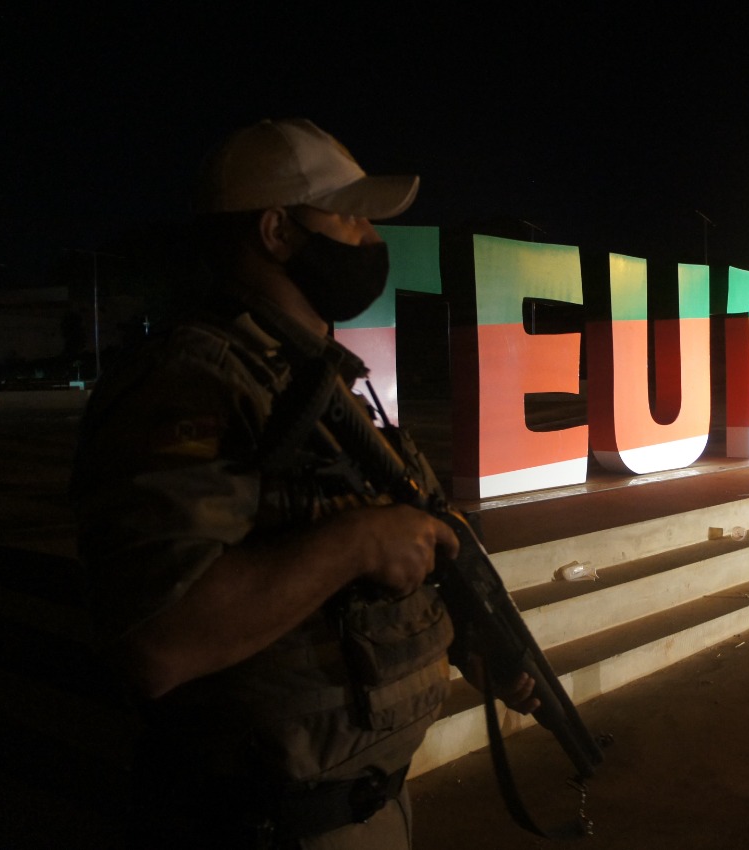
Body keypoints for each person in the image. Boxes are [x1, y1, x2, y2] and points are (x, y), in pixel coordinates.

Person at [71, 118, 536, 849]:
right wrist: (357, 543)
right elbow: (159, 640)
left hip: (363, 804)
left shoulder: (308, 376)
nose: (370, 239)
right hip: (269, 823)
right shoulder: (193, 379)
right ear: (277, 232)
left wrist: (456, 638)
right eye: (349, 218)